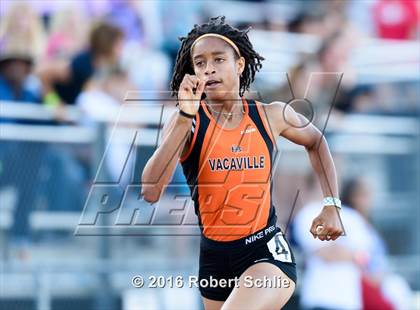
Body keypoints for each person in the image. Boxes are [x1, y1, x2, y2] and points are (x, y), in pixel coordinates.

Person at [141, 16, 343, 310]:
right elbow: (150, 191)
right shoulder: (187, 122)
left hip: (265, 251)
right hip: (214, 257)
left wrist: (332, 205)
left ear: (239, 64)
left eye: (218, 59)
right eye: (199, 63)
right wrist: (184, 118)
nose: (208, 68)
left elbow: (316, 142)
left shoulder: (270, 115)